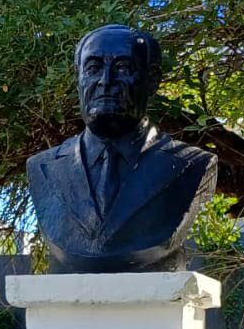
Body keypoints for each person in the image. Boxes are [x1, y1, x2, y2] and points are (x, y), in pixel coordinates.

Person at [27, 25, 218, 273]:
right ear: (79, 80)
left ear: (151, 81)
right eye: (93, 68)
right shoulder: (42, 168)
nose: (106, 82)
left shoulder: (191, 165)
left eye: (123, 68)